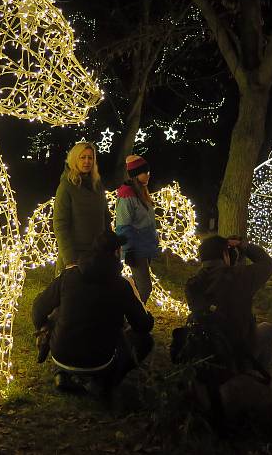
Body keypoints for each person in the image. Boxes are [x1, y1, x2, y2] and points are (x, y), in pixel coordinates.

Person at [32, 231, 154, 396]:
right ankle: (107, 381)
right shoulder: (121, 285)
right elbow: (143, 326)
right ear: (117, 252)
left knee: (59, 313)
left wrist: (43, 327)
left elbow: (39, 307)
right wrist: (141, 309)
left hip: (61, 354)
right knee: (145, 341)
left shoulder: (69, 276)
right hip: (99, 360)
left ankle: (62, 374)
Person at [171, 235, 272, 422]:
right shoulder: (241, 277)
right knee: (268, 329)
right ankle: (253, 375)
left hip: (208, 350)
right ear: (225, 254)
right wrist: (245, 247)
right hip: (238, 350)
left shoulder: (192, 285)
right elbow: (269, 264)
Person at [53, 142, 111, 275]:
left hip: (98, 253)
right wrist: (69, 260)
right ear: (74, 159)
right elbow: (60, 224)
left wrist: (110, 244)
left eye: (90, 158)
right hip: (76, 257)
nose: (87, 161)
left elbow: (106, 217)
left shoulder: (97, 185)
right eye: (82, 157)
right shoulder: (66, 187)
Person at [115, 155, 159, 304]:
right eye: (143, 172)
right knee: (144, 288)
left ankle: (131, 319)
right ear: (135, 174)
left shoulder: (142, 192)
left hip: (146, 246)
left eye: (148, 172)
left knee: (138, 286)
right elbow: (123, 225)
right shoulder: (127, 195)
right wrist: (129, 250)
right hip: (136, 249)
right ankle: (134, 320)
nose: (147, 175)